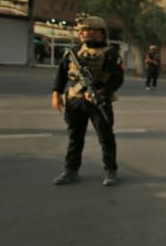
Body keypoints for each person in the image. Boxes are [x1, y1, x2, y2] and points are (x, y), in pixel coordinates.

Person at [51, 15, 124, 187]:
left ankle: (110, 170)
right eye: (82, 30)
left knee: (105, 137)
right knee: (74, 137)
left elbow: (117, 79)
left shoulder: (111, 54)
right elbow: (61, 74)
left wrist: (102, 93)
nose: (84, 33)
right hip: (75, 100)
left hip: (99, 102)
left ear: (100, 32)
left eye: (88, 29)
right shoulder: (74, 52)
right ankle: (71, 170)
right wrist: (56, 93)